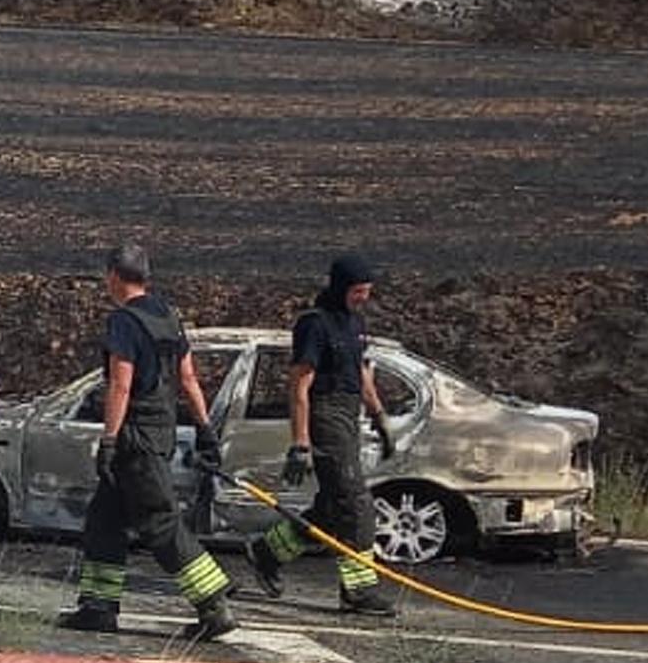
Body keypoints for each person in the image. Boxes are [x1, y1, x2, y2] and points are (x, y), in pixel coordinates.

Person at [57, 244, 238, 641]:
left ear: (113, 277)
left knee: (159, 521)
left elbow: (121, 385)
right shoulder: (168, 315)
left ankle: (212, 602)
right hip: (161, 429)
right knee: (104, 520)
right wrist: (204, 428)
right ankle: (98, 607)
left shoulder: (124, 321)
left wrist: (108, 439)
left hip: (134, 434)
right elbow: (188, 379)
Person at [243, 255, 399, 617]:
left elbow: (360, 372)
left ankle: (267, 552)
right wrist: (300, 443)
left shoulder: (354, 323)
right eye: (358, 291)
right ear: (341, 287)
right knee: (355, 505)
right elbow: (299, 383)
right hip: (324, 414)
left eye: (367, 292)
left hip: (349, 414)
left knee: (332, 506)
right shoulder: (314, 325)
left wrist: (379, 415)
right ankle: (358, 591)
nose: (363, 298)